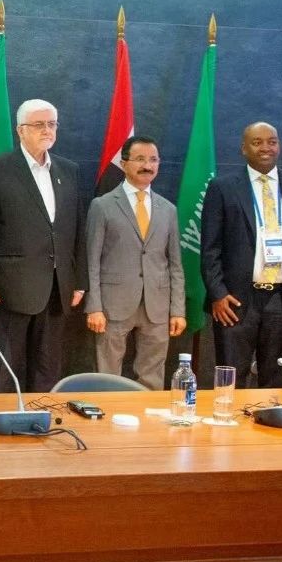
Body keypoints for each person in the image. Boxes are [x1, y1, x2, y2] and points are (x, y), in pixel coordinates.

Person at [0, 98, 86, 392]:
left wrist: (79, 281)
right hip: (9, 290)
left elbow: (77, 230)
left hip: (57, 290)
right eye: (38, 124)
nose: (47, 130)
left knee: (47, 369)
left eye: (52, 124)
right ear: (21, 130)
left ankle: (39, 419)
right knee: (2, 372)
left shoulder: (69, 170)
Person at [201, 122, 282, 387]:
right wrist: (217, 293)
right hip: (235, 300)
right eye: (257, 142)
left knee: (276, 379)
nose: (266, 147)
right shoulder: (222, 187)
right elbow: (210, 248)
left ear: (279, 146)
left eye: (272, 141)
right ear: (244, 148)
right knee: (231, 378)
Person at [85, 136, 186, 389]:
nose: (147, 166)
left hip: (157, 305)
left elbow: (175, 264)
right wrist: (94, 306)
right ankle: (107, 414)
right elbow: (91, 261)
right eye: (140, 159)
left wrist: (178, 310)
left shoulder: (168, 209)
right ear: (123, 163)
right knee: (107, 376)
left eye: (153, 160)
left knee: (152, 376)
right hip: (112, 305)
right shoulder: (102, 205)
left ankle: (148, 415)